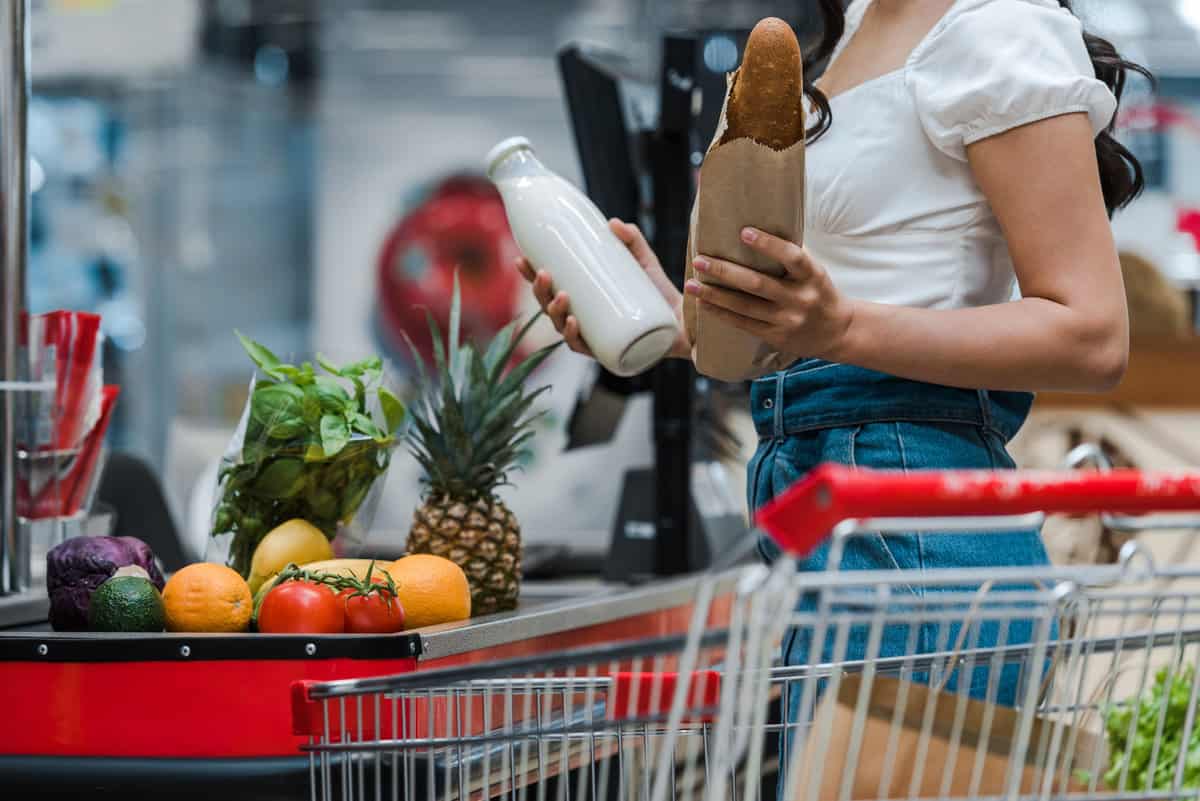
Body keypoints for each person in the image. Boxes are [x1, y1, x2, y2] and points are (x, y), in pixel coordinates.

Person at [517, 0, 1146, 753]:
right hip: (822, 496)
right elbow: (835, 310)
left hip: (915, 524)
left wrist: (839, 326)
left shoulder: (996, 24)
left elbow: (1092, 334)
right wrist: (678, 326)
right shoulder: (850, 33)